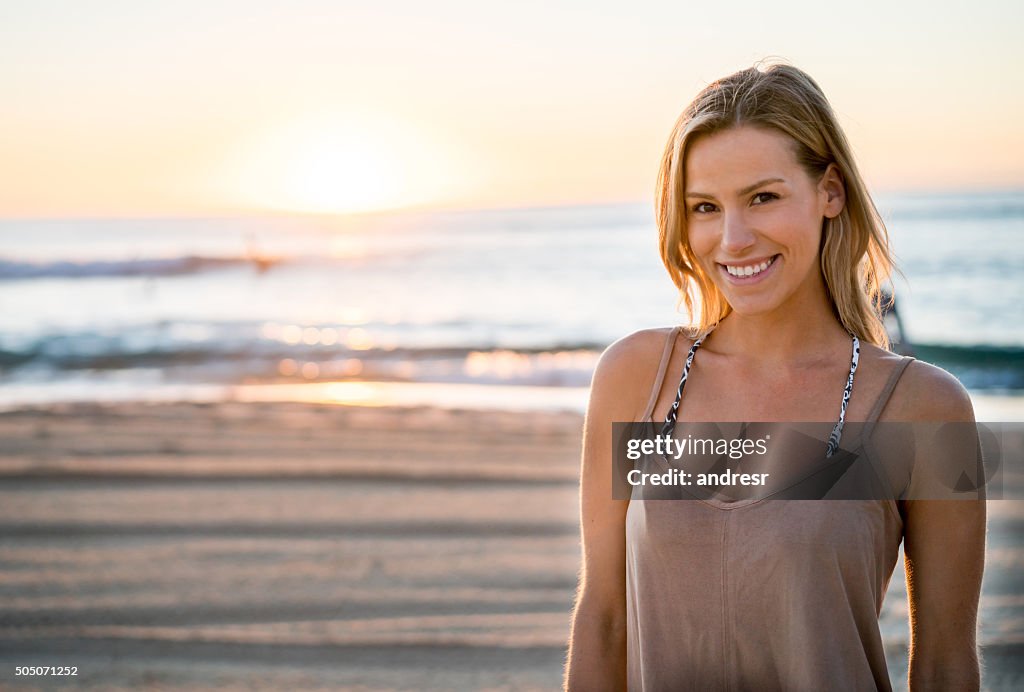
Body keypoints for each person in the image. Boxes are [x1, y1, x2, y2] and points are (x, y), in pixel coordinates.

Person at [563, 61, 986, 691]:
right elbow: (602, 621)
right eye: (705, 207)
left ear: (830, 192)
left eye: (763, 197)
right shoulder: (634, 378)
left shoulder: (925, 408)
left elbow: (946, 666)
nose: (732, 239)